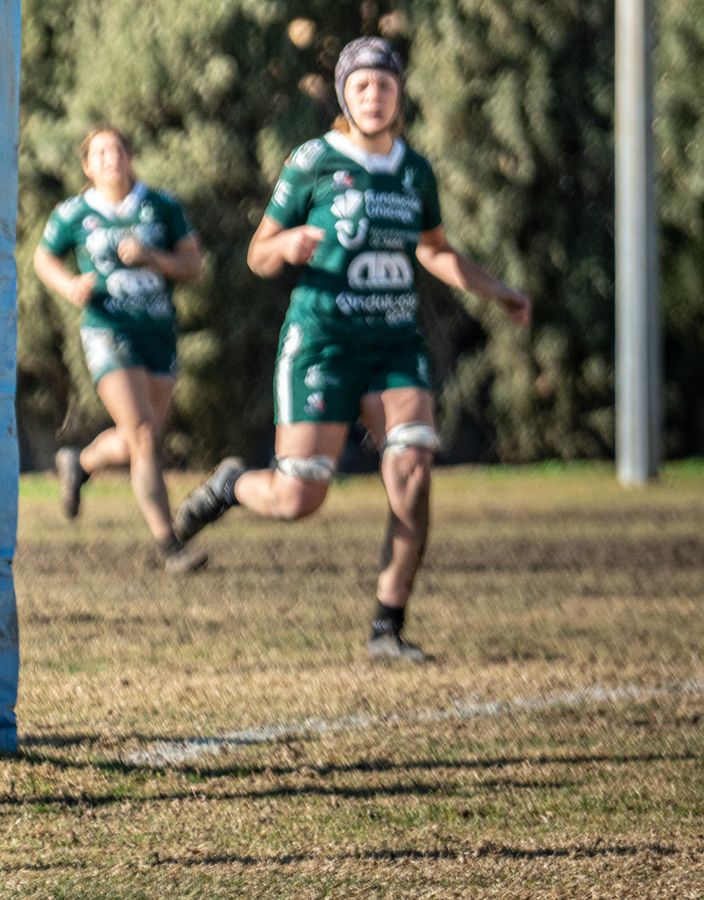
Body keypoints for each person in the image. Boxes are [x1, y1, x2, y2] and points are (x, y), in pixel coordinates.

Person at [172, 37, 532, 661]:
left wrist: (497, 290)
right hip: (323, 344)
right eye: (361, 85)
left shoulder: (415, 171)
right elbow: (258, 254)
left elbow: (434, 250)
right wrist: (285, 246)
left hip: (394, 344)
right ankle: (231, 485)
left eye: (384, 85)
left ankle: (387, 627)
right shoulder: (313, 160)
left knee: (413, 471)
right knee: (299, 498)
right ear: (344, 95)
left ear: (398, 95)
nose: (374, 95)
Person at [32, 127, 208, 574]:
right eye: (100, 153)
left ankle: (80, 462)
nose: (111, 159)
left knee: (138, 440)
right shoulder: (75, 213)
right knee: (143, 433)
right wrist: (69, 285)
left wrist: (155, 258)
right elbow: (43, 259)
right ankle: (170, 544)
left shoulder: (161, 206)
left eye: (117, 151)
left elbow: (193, 264)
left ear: (130, 157)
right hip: (107, 329)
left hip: (157, 332)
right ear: (87, 166)